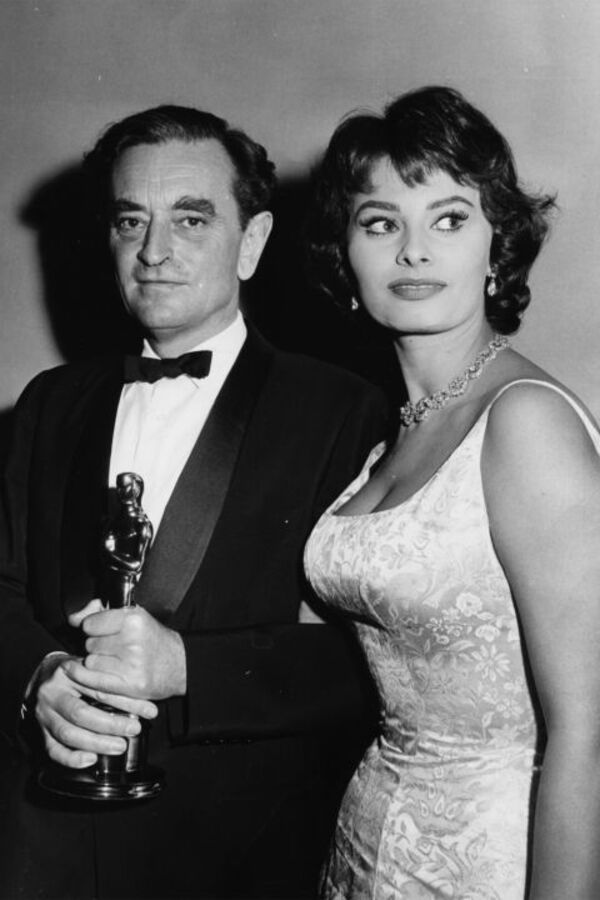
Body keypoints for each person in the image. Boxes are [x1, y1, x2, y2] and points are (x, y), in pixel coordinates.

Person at [0, 105, 389, 899]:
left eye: (190, 218)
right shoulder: (47, 404)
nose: (153, 251)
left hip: (233, 859)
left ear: (252, 243)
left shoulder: (343, 411)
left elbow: (379, 664)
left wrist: (188, 668)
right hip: (44, 853)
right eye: (130, 220)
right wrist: (38, 675)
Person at [304, 85, 600, 899]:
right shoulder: (394, 433)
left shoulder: (525, 422)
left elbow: (590, 734)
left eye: (449, 219)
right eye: (380, 223)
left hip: (497, 865)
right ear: (345, 252)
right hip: (364, 854)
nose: (414, 252)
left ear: (497, 245)